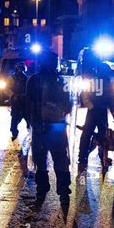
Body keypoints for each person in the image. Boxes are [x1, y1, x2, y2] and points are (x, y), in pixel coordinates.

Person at [26, 51, 72, 206]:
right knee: (56, 160)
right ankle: (62, 191)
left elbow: (28, 104)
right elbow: (68, 105)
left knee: (43, 160)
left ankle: (46, 190)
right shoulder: (58, 81)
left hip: (45, 127)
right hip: (52, 127)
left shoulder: (36, 80)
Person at [77, 60, 114, 174]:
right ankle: (82, 157)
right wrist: (91, 107)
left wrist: (113, 111)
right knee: (86, 134)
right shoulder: (94, 82)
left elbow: (111, 98)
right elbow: (85, 96)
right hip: (93, 112)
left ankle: (103, 157)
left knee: (103, 136)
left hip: (102, 112)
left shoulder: (108, 83)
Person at [6, 62, 29, 141]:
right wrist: (13, 95)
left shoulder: (26, 78)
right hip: (15, 101)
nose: (21, 71)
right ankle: (14, 131)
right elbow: (7, 89)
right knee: (15, 117)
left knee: (27, 116)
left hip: (24, 101)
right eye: (19, 69)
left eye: (22, 69)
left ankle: (30, 129)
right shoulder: (11, 78)